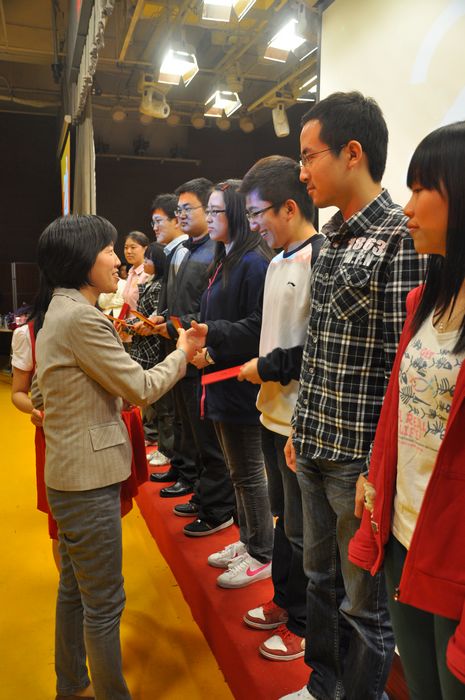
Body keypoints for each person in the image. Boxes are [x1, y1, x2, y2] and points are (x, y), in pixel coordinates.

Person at [281, 92, 427, 700]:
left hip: (356, 463)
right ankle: (323, 685)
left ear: (352, 153)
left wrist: (376, 467)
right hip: (316, 442)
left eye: (309, 156)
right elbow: (317, 347)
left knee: (365, 606)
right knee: (319, 581)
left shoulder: (398, 238)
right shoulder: (334, 236)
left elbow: (401, 367)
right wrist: (300, 427)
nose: (303, 171)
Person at [31, 214, 202, 700]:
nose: (118, 260)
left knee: (75, 590)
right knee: (105, 602)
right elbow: (141, 387)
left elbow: (41, 393)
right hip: (87, 481)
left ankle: (72, 683)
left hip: (68, 472)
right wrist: (182, 352)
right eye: (108, 250)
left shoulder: (58, 309)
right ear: (82, 259)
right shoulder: (82, 318)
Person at [349, 121, 465, 700]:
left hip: (454, 548)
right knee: (421, 685)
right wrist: (375, 473)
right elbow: (399, 405)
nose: (409, 208)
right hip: (402, 529)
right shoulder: (426, 298)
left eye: (422, 189)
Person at [236, 156, 325, 657]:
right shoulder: (274, 263)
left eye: (257, 214)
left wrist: (267, 367)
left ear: (289, 208)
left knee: (302, 530)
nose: (254, 225)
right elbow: (265, 330)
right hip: (270, 411)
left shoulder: (319, 259)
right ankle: (284, 601)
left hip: (300, 418)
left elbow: (317, 351)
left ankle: (303, 622)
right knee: (283, 521)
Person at [189, 179, 274, 585]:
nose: (209, 218)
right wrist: (206, 342)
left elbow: (258, 326)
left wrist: (213, 341)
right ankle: (248, 539)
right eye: (207, 211)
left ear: (238, 213)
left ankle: (262, 553)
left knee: (250, 473)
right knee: (238, 471)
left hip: (242, 381)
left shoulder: (254, 262)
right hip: (221, 377)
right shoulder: (225, 258)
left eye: (216, 211)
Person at [142, 178, 235, 538]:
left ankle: (216, 507)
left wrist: (175, 328)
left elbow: (209, 311)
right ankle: (199, 490)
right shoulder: (185, 250)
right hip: (180, 348)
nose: (181, 215)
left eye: (187, 209)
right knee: (187, 428)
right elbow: (178, 303)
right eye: (178, 209)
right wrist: (164, 322)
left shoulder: (216, 252)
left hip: (201, 355)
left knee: (208, 439)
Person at [121, 231, 150, 317]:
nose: (128, 251)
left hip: (141, 323)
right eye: (126, 248)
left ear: (145, 249)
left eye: (133, 247)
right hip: (127, 323)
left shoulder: (147, 273)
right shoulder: (131, 272)